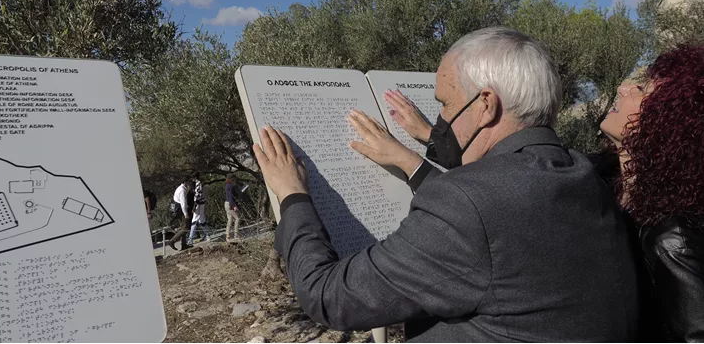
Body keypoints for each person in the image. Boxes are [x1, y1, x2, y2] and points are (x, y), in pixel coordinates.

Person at [252, 27, 639, 342]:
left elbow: (329, 296)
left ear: (486, 104)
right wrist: (409, 161)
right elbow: (494, 216)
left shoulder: (469, 204)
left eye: (445, 104)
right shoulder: (580, 171)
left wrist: (293, 196)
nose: (439, 119)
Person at [598, 44, 704, 342]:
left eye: (642, 90)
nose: (623, 88)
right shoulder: (600, 183)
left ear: (668, 122)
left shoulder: (674, 241)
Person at [168, 176, 194, 251]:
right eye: (189, 182)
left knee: (183, 227)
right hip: (181, 211)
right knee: (185, 228)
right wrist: (186, 214)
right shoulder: (182, 190)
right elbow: (183, 203)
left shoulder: (181, 188)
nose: (190, 183)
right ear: (186, 182)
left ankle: (184, 245)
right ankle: (172, 241)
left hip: (178, 210)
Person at [188, 172, 211, 245]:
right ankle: (207, 235)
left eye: (192, 177)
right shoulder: (200, 183)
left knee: (194, 221)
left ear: (195, 177)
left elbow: (198, 196)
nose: (191, 179)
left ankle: (190, 239)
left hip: (198, 204)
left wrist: (194, 207)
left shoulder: (198, 184)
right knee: (202, 220)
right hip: (201, 204)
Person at [224, 174, 241, 242]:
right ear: (231, 179)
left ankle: (227, 235)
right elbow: (231, 197)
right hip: (230, 204)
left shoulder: (227, 185)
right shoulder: (230, 186)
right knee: (237, 218)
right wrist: (234, 206)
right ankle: (236, 235)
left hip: (226, 203)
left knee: (230, 219)